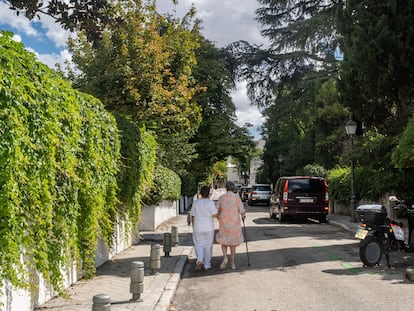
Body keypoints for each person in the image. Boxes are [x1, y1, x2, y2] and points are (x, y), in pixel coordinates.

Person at [216, 181, 246, 270]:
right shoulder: (237, 197)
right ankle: (233, 264)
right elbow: (242, 210)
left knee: (224, 241)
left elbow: (217, 211)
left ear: (226, 188)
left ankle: (225, 257)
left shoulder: (221, 198)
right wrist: (243, 216)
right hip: (234, 223)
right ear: (233, 189)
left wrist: (219, 218)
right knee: (233, 244)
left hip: (224, 222)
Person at [191, 186, 218, 271]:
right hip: (209, 227)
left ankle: (199, 259)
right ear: (209, 193)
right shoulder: (210, 203)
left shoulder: (196, 202)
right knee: (208, 246)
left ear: (200, 193)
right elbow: (214, 215)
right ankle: (207, 265)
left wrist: (193, 226)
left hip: (198, 227)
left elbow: (193, 216)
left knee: (198, 244)